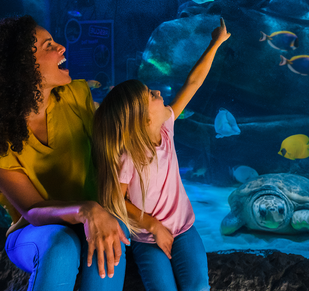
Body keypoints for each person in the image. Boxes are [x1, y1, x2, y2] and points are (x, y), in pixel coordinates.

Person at [0, 15, 129, 291]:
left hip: (93, 219)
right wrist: (85, 210)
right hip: (35, 232)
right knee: (61, 245)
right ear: (21, 67)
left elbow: (118, 157)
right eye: (47, 45)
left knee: (115, 228)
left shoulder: (77, 96)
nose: (61, 47)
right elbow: (32, 210)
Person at [92, 18, 231, 291]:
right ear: (143, 119)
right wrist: (153, 226)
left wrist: (215, 44)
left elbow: (193, 83)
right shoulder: (129, 155)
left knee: (198, 287)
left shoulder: (165, 126)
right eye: (150, 95)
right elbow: (115, 200)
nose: (157, 91)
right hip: (147, 239)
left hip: (184, 229)